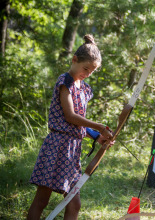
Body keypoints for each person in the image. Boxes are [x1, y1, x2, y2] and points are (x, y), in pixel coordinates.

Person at [27, 34, 115, 220]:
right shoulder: (65, 82)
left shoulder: (84, 88)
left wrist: (96, 136)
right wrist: (100, 126)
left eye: (92, 71)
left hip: (72, 149)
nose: (88, 73)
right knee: (42, 200)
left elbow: (79, 122)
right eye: (86, 68)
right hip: (56, 146)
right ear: (74, 60)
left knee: (74, 204)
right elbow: (70, 116)